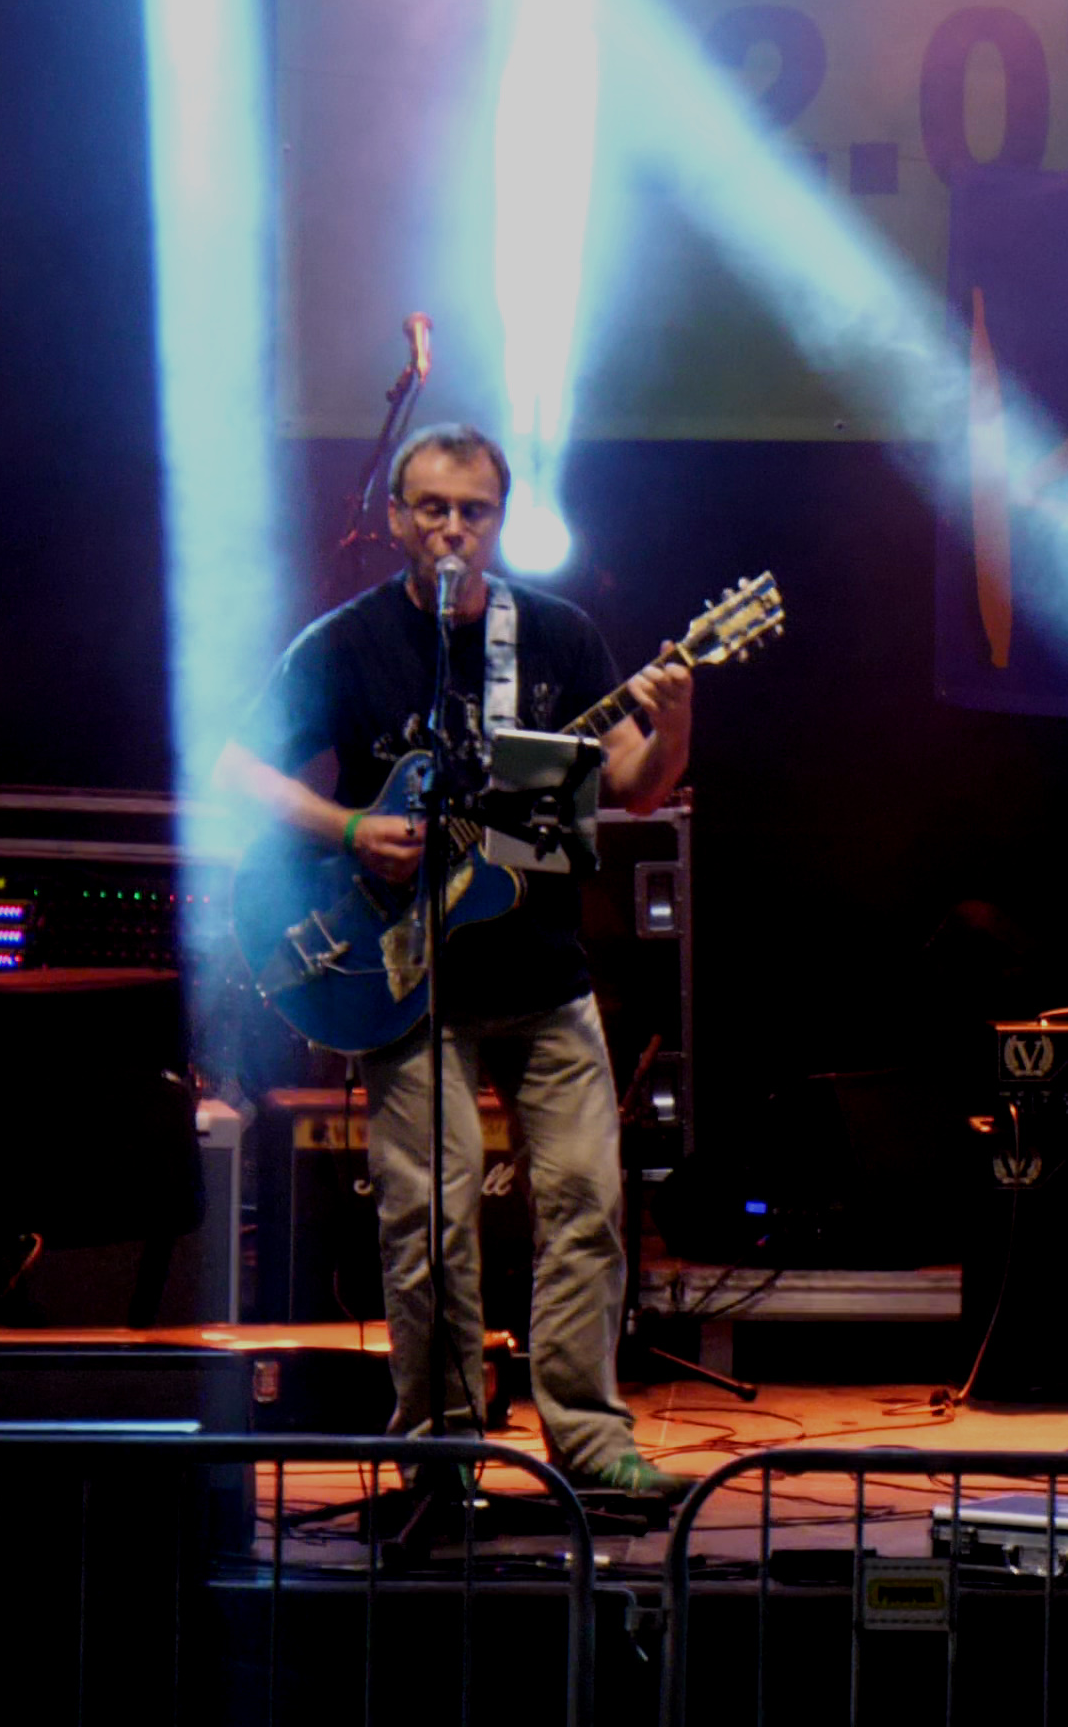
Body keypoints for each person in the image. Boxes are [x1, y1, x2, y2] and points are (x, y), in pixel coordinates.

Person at [225, 424, 697, 1510]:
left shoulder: (560, 636)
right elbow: (237, 768)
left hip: (544, 975)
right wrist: (351, 830)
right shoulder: (348, 641)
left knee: (588, 1203)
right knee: (429, 1225)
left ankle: (589, 1440)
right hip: (407, 983)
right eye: (431, 508)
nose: (451, 529)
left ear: (499, 520)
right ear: (396, 518)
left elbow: (634, 784)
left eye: (472, 510)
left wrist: (672, 725)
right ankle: (443, 1449)